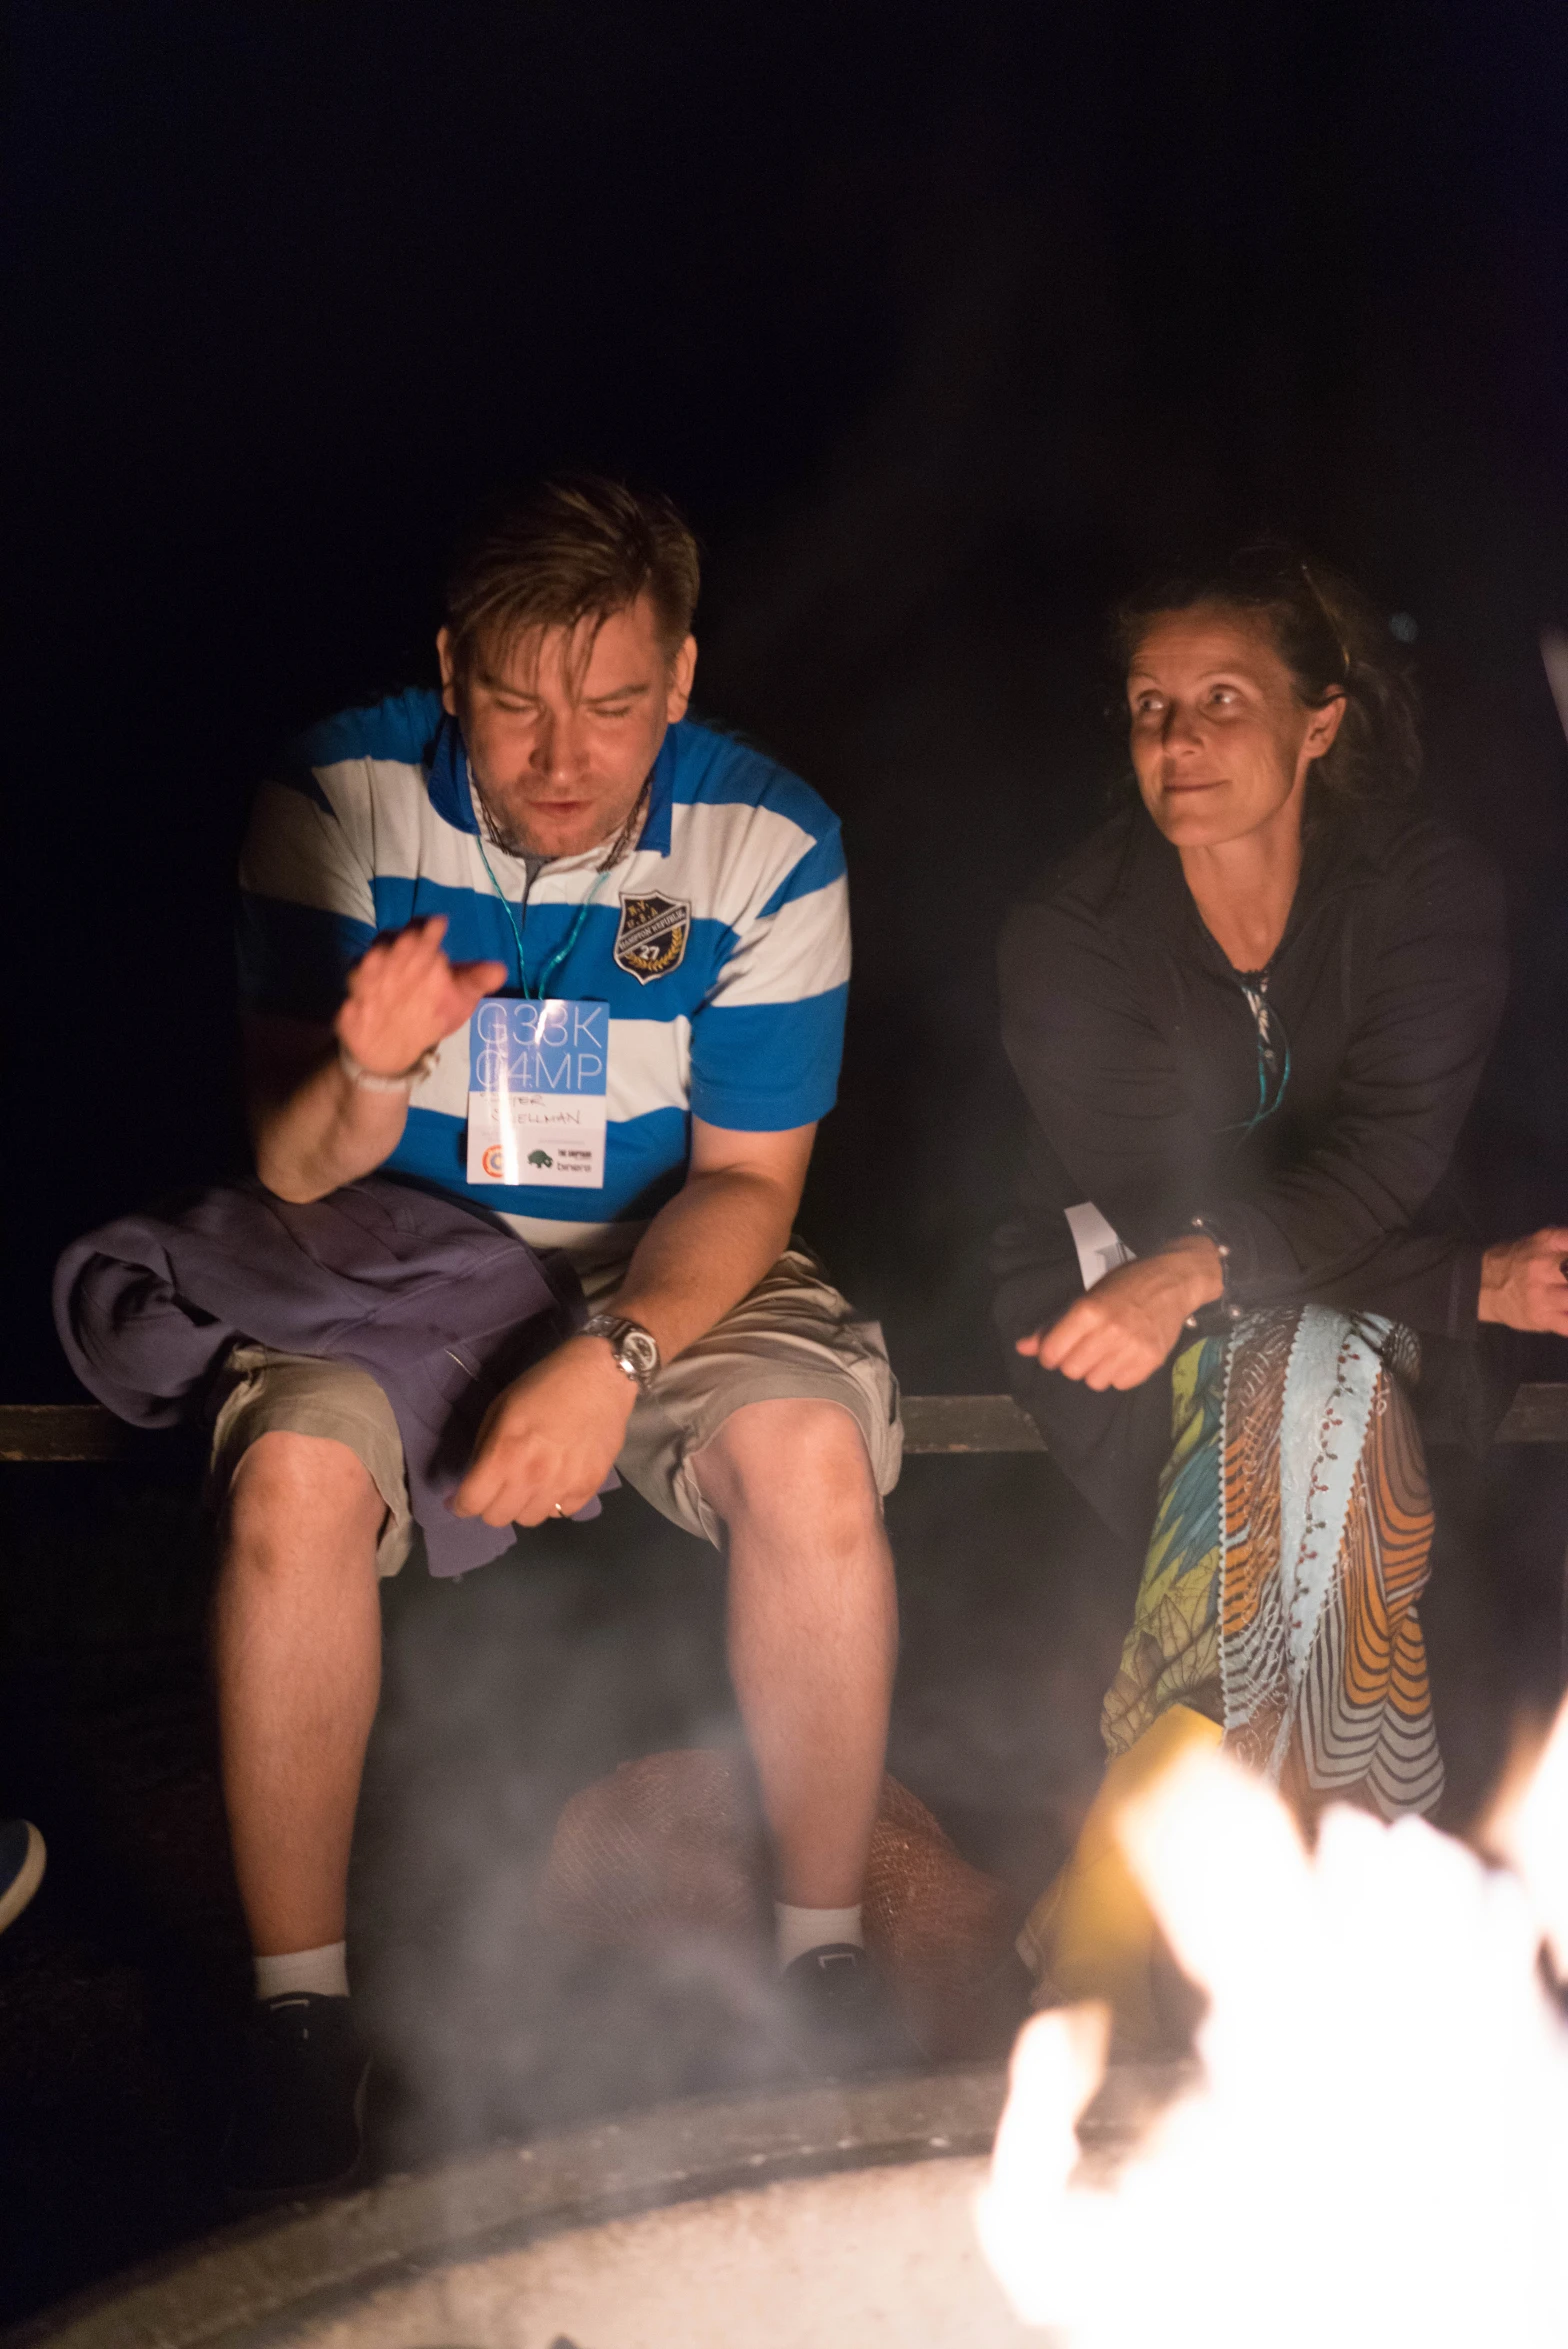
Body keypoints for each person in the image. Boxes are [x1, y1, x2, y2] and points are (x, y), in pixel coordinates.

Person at [220, 476, 907, 2200]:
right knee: (291, 1473)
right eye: (519, 701)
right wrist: (367, 1071)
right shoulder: (339, 797)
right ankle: (298, 2030)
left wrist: (611, 1360)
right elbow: (289, 1164)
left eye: (611, 706)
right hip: (384, 1254)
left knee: (809, 1450)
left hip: (664, 1252)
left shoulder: (768, 841)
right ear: (452, 671)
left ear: (680, 680)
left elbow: (751, 1183)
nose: (561, 754)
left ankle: (825, 1960)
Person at [994, 546, 1568, 2045]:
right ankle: (1340, 1985)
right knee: (1303, 1392)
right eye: (1149, 709)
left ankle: (1114, 1939)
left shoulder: (1427, 892)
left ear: (1321, 722)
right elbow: (1153, 1209)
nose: (1176, 744)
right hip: (1123, 1323)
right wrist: (1463, 1280)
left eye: (1222, 702)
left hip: (1348, 1325)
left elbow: (1386, 1157)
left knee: (1306, 1387)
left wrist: (1258, 1260)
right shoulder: (1072, 932)